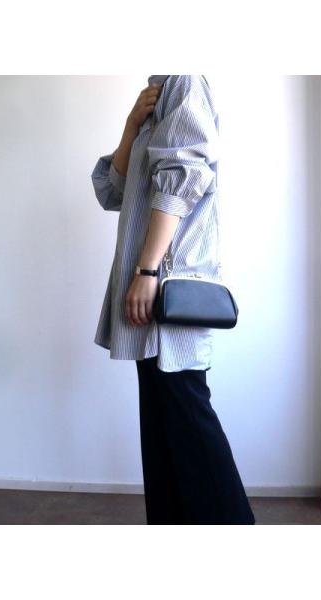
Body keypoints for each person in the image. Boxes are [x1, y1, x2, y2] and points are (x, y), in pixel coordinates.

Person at [91, 75, 255, 525]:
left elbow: (185, 176)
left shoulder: (185, 77)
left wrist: (146, 271)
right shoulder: (159, 90)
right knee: (163, 428)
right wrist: (131, 125)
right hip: (146, 287)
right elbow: (112, 192)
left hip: (165, 283)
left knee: (187, 421)